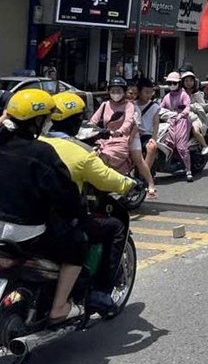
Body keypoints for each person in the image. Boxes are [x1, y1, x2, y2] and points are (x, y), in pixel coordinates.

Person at [42, 92, 137, 312]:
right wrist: (130, 184)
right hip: (59, 220)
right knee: (115, 227)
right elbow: (107, 179)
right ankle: (99, 291)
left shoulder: (34, 143)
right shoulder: (80, 154)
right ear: (76, 121)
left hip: (29, 214)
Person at [0, 89, 87, 325]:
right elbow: (66, 197)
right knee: (77, 243)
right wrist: (77, 212)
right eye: (46, 119)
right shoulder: (42, 153)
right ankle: (59, 307)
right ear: (37, 121)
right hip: (25, 232)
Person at [90, 77, 136, 174]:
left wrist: (120, 131)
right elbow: (93, 120)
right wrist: (87, 128)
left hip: (120, 140)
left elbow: (128, 121)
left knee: (104, 156)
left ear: (124, 92)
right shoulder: (105, 105)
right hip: (102, 139)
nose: (115, 93)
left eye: (118, 91)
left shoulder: (129, 105)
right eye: (113, 91)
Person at [125, 83, 157, 199]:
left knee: (139, 157)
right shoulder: (109, 104)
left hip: (134, 136)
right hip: (116, 137)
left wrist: (129, 138)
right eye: (130, 93)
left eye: (135, 94)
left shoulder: (135, 107)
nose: (132, 96)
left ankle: (148, 181)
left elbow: (137, 126)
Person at [162, 71, 194, 182]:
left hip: (182, 121)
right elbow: (161, 108)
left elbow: (187, 107)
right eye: (169, 83)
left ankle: (188, 169)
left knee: (181, 146)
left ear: (179, 83)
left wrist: (181, 114)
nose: (172, 85)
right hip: (170, 122)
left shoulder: (183, 95)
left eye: (174, 83)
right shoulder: (166, 97)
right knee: (167, 144)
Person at [134, 77, 161, 175]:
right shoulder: (132, 104)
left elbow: (156, 123)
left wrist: (154, 138)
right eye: (146, 92)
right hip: (134, 134)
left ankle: (144, 174)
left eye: (151, 92)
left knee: (150, 148)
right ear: (139, 91)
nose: (149, 95)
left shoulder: (154, 107)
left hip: (147, 135)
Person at [181, 71, 208, 156]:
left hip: (196, 117)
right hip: (182, 116)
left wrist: (192, 106)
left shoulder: (197, 94)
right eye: (186, 81)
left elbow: (202, 107)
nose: (188, 83)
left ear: (194, 82)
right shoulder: (181, 93)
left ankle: (204, 146)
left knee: (195, 130)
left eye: (190, 80)